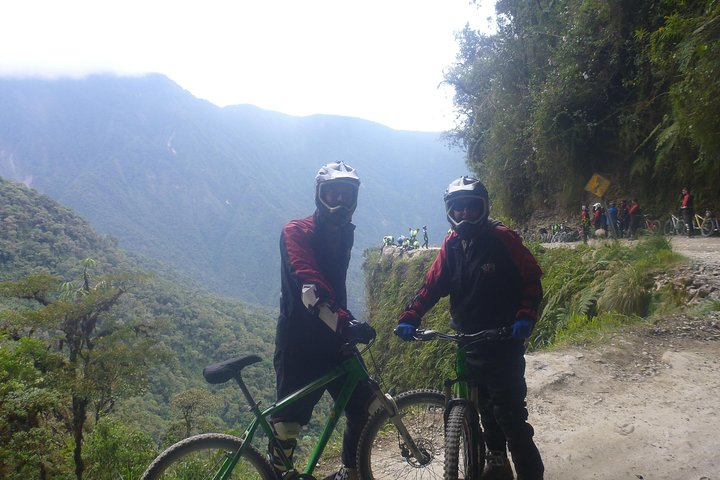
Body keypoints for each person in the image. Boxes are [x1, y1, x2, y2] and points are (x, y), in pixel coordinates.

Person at [395, 176, 545, 480]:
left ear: (484, 208)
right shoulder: (451, 244)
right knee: (484, 408)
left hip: (503, 341)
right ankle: (497, 462)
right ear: (450, 211)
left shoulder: (503, 238)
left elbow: (531, 279)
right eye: (458, 208)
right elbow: (432, 286)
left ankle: (531, 473)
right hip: (468, 340)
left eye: (471, 208)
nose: (464, 214)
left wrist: (525, 315)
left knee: (510, 416)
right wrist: (411, 316)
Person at [270, 161, 376, 480]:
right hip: (299, 344)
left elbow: (336, 288)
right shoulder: (296, 232)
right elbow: (310, 287)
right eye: (333, 194)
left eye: (347, 195)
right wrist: (345, 322)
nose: (340, 202)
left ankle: (351, 471)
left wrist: (346, 322)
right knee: (287, 425)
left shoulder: (345, 234)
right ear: (319, 196)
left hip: (334, 342)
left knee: (365, 407)